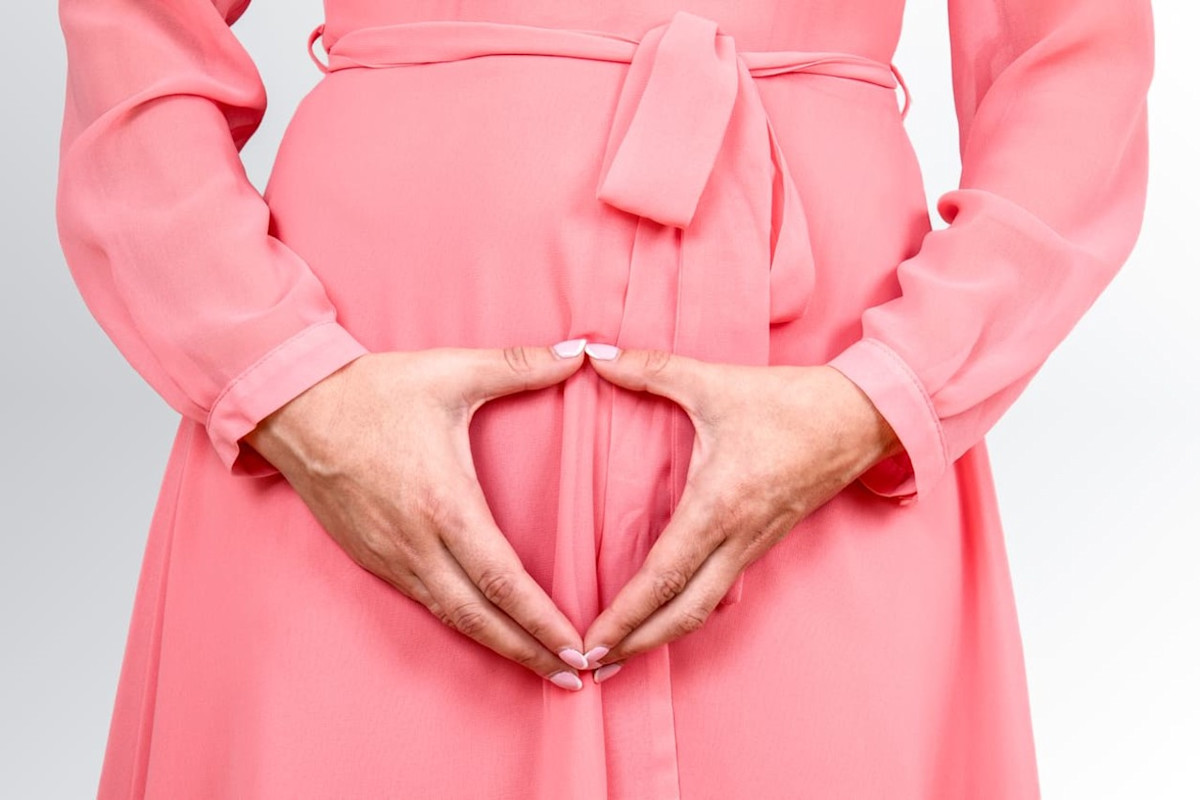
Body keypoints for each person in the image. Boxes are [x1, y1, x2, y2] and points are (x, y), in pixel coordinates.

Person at [54, 0, 1153, 797]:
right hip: (356, 390)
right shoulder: (320, 408)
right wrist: (294, 389)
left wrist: (891, 391)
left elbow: (1076, 59)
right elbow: (135, 27)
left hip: (829, 402)